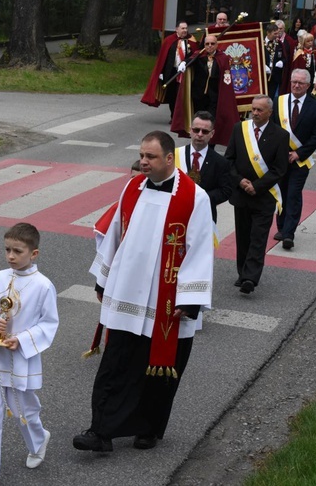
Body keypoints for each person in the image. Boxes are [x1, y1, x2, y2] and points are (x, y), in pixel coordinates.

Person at [73, 131, 214, 453]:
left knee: (159, 371)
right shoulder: (133, 187)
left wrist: (191, 299)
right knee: (116, 362)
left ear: (169, 158)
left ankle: (148, 428)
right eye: (141, 155)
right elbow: (116, 235)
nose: (143, 162)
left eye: (150, 157)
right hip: (127, 295)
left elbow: (201, 249)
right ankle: (101, 431)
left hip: (167, 304)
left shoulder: (195, 197)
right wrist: (103, 279)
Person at [0, 223, 59, 486]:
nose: (11, 256)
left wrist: (20, 340)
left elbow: (49, 323)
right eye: (7, 250)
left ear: (34, 254)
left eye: (18, 251)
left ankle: (38, 439)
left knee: (23, 409)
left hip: (22, 356)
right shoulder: (0, 278)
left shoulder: (43, 286)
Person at [225, 95, 289, 294]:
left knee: (258, 237)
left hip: (264, 196)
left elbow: (279, 169)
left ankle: (250, 278)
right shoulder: (239, 129)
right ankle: (242, 272)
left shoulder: (280, 135)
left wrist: (258, 186)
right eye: (253, 109)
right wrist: (240, 181)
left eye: (260, 110)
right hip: (242, 193)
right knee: (243, 236)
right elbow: (229, 160)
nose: (255, 113)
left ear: (270, 112)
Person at [272, 69, 316, 250]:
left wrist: (299, 153)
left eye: (301, 83)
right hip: (280, 158)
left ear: (307, 86)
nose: (297, 85)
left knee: (293, 194)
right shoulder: (279, 102)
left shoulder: (314, 106)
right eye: (294, 82)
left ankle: (289, 234)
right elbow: (273, 128)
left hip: (301, 160)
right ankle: (281, 228)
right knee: (281, 194)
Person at [171, 34, 240, 147]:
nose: (209, 46)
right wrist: (184, 62)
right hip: (198, 96)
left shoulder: (222, 58)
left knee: (210, 122)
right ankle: (197, 143)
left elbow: (226, 78)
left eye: (212, 44)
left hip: (214, 97)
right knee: (199, 121)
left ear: (216, 45)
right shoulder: (199, 56)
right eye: (207, 44)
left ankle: (210, 145)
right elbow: (190, 60)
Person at [174, 111, 233, 223]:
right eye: (196, 130)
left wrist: (200, 198)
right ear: (190, 130)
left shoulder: (220, 162)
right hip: (176, 214)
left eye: (205, 131)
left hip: (205, 216)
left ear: (212, 134)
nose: (200, 134)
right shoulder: (174, 155)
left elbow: (226, 191)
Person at [141, 21, 198, 121]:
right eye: (182, 28)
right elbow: (163, 58)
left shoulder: (191, 40)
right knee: (173, 96)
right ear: (177, 29)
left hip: (186, 72)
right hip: (172, 72)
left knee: (185, 95)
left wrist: (186, 62)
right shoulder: (169, 40)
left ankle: (184, 116)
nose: (185, 30)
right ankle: (174, 117)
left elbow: (196, 55)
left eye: (186, 28)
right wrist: (161, 72)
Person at [264, 23, 288, 100]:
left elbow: (285, 58)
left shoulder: (279, 44)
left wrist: (282, 62)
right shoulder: (260, 43)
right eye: (275, 33)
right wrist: (262, 65)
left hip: (275, 76)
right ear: (268, 32)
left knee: (272, 97)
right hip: (263, 76)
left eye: (278, 33)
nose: (277, 35)